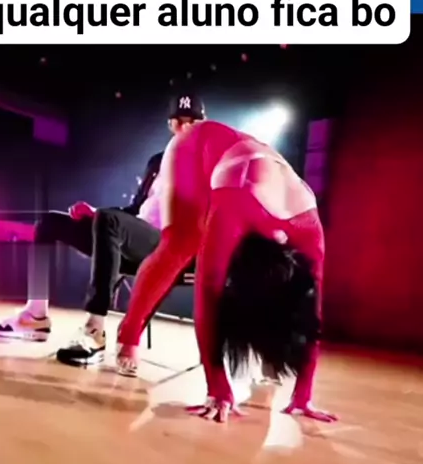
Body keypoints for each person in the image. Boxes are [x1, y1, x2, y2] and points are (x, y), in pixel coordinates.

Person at [115, 117, 337, 423]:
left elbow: (313, 318)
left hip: (244, 171)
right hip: (195, 147)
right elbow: (207, 292)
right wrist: (218, 389)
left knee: (295, 309)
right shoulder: (232, 213)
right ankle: (129, 333)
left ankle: (293, 387)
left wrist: (303, 396)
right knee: (180, 244)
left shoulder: (310, 235)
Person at [0, 93, 206, 366]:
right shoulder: (158, 161)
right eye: (179, 121)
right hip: (135, 237)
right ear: (170, 124)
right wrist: (96, 212)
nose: (185, 127)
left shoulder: (209, 162)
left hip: (170, 248)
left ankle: (94, 329)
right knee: (50, 222)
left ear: (203, 123)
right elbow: (135, 209)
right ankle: (35, 315)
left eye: (192, 121)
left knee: (109, 221)